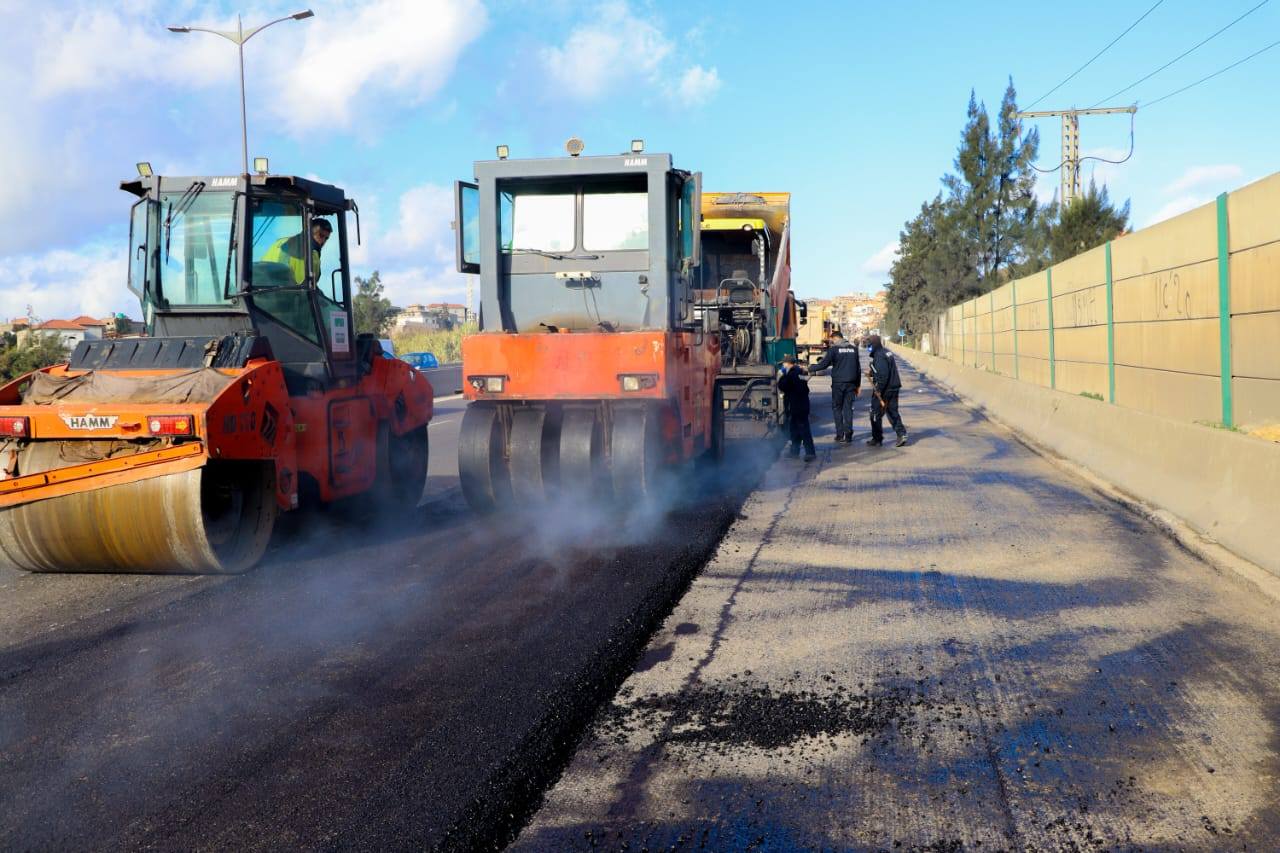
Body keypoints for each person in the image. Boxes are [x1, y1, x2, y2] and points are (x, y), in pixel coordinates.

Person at [807, 330, 861, 443]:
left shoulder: (834, 350)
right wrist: (858, 385)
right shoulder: (854, 349)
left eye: (832, 340)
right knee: (848, 409)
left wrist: (809, 368)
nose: (832, 343)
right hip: (851, 384)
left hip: (838, 384)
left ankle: (840, 434)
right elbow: (858, 368)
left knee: (837, 408)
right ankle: (849, 435)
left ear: (836, 338)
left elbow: (823, 364)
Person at [865, 334, 907, 447]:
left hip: (885, 389)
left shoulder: (879, 355)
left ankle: (877, 438)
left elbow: (883, 375)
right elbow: (884, 370)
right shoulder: (886, 352)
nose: (868, 348)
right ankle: (901, 434)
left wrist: (878, 390)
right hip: (894, 387)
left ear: (874, 345)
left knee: (874, 413)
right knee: (892, 411)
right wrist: (872, 372)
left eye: (869, 346)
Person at [262, 219, 332, 285]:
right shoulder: (310, 254)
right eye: (321, 235)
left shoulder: (279, 242)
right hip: (286, 295)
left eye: (326, 238)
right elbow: (302, 286)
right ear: (310, 232)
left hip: (263, 291)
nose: (323, 241)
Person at [777, 354, 816, 461]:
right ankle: (794, 452)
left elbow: (782, 386)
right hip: (801, 405)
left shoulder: (792, 374)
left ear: (787, 363)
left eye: (784, 364)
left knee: (803, 430)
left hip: (796, 406)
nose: (783, 366)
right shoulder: (800, 372)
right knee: (795, 430)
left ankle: (810, 453)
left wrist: (782, 376)